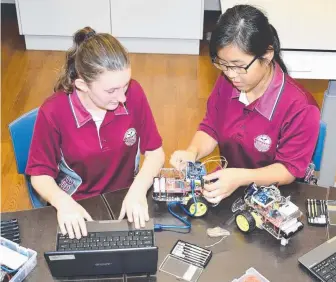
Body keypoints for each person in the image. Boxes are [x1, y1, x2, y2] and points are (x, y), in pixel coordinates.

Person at [170, 5, 320, 204]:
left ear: (267, 55)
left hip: (277, 196)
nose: (231, 74)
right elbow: (211, 126)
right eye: (222, 64)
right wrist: (192, 152)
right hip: (230, 183)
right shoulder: (228, 81)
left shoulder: (300, 108)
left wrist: (240, 178)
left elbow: (288, 169)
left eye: (239, 66)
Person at [25, 27, 165, 239]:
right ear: (82, 85)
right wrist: (62, 201)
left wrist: (138, 189)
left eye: (125, 85)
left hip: (127, 197)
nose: (123, 98)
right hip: (78, 206)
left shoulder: (133, 93)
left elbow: (155, 152)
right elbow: (39, 174)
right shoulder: (53, 111)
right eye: (111, 91)